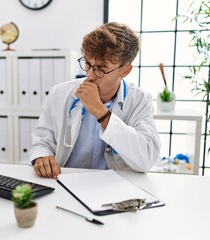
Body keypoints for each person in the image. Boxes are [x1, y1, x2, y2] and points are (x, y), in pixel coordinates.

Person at [29, 22, 161, 178]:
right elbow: (42, 139)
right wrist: (42, 156)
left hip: (113, 186)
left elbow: (146, 159)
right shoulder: (60, 93)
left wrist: (100, 111)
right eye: (88, 64)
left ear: (125, 70)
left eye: (101, 69)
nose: (90, 75)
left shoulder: (139, 100)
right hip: (65, 181)